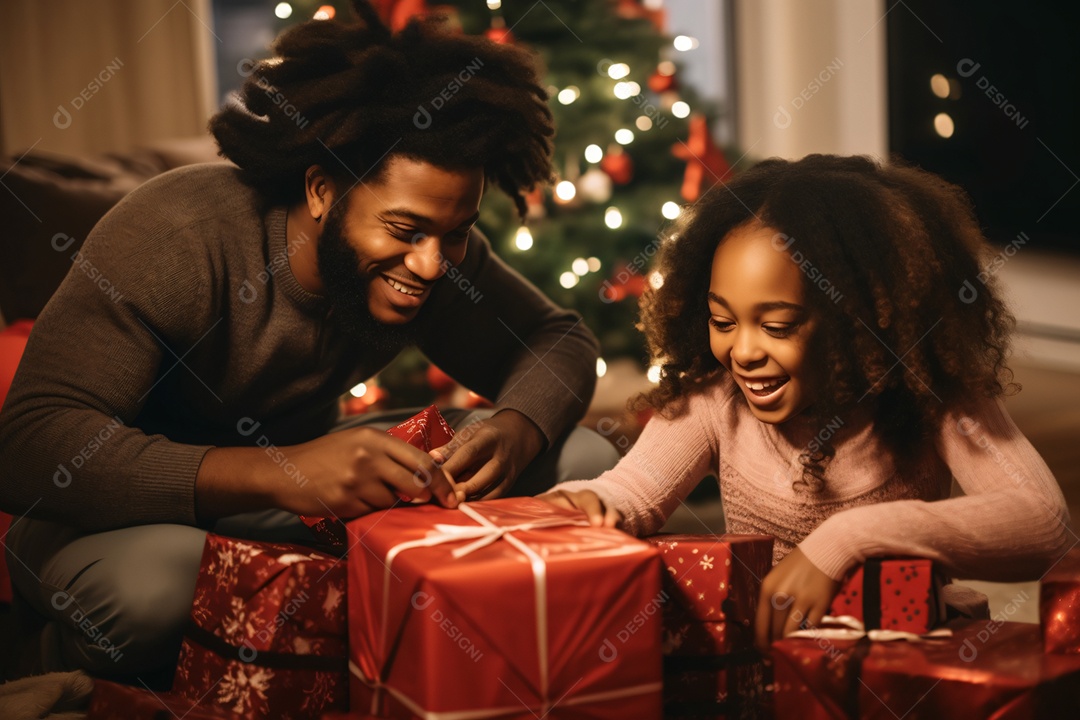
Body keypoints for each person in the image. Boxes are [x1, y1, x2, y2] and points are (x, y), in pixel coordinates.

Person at [0, 1, 618, 680]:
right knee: (165, 586)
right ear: (323, 190)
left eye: (456, 232)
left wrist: (517, 429)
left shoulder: (433, 255)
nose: (433, 264)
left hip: (294, 510)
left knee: (579, 453)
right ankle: (61, 654)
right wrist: (286, 472)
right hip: (112, 524)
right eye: (406, 230)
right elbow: (29, 445)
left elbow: (555, 337)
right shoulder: (176, 235)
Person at [542, 154, 1071, 652]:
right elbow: (629, 492)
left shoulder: (929, 394)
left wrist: (849, 537)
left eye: (777, 326)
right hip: (768, 663)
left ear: (860, 321)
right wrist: (586, 501)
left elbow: (1043, 526)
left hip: (903, 650)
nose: (743, 352)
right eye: (722, 322)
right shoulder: (714, 399)